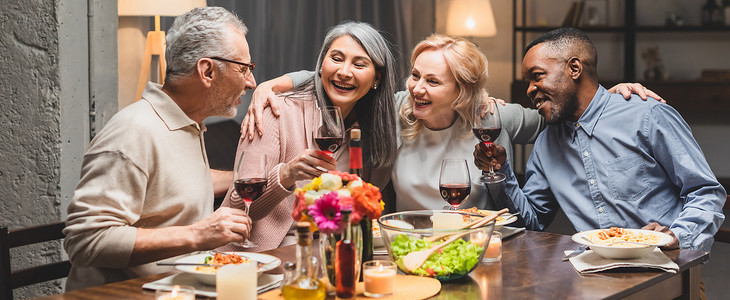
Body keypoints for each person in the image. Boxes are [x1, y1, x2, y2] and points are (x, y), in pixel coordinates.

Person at [243, 33, 661, 213]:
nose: (418, 87)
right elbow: (345, 80)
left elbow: (565, 112)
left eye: (433, 80)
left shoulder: (492, 116)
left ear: (462, 90)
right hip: (404, 246)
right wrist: (276, 83)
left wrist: (610, 91)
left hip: (477, 248)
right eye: (415, 75)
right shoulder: (395, 109)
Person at [474, 28, 725, 251]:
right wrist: (498, 171)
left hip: (663, 268)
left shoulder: (647, 115)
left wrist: (675, 236)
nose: (529, 89)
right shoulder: (546, 143)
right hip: (594, 274)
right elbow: (531, 222)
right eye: (528, 81)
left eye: (537, 76)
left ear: (574, 68)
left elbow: (706, 192)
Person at [63, 7, 255, 290]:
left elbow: (170, 183)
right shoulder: (133, 132)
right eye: (244, 69)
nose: (251, 82)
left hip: (178, 290)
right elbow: (84, 240)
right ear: (207, 71)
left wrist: (250, 178)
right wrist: (197, 235)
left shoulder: (186, 122)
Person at [218, 21, 398, 251]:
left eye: (359, 64)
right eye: (336, 58)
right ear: (321, 65)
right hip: (259, 257)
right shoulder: (276, 111)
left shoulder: (372, 129)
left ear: (377, 79)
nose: (344, 72)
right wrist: (286, 174)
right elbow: (238, 203)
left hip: (327, 253)